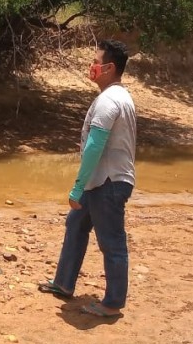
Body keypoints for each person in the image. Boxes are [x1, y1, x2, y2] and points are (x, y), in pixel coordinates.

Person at [38, 39, 136, 317]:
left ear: (109, 68)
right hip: (103, 180)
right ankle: (63, 283)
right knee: (76, 225)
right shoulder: (121, 96)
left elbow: (95, 145)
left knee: (112, 242)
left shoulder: (109, 100)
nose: (91, 66)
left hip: (107, 182)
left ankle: (112, 303)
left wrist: (77, 186)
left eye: (96, 61)